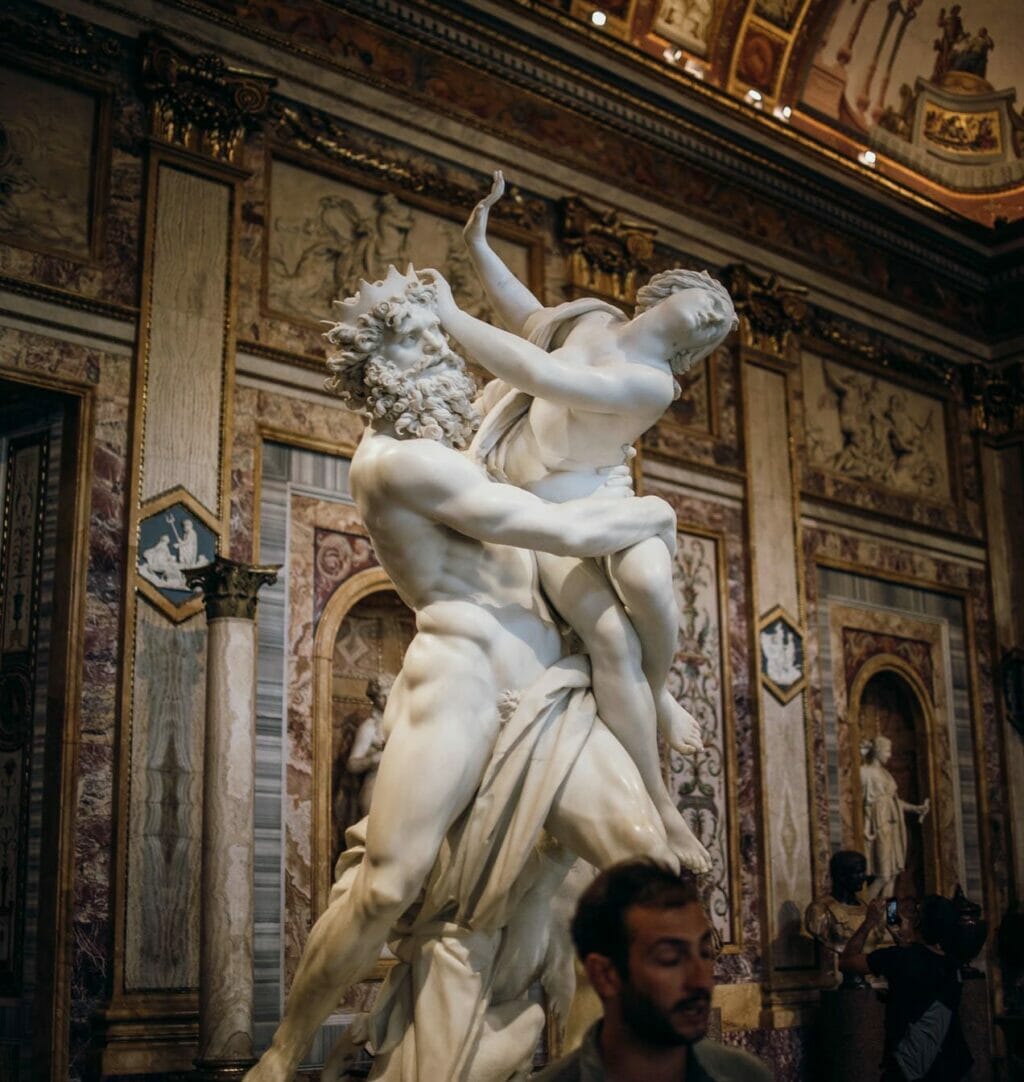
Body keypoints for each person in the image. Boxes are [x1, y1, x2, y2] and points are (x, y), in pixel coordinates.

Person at [245, 265, 700, 1082]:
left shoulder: (469, 438)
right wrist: (657, 514)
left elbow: (541, 352)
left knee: (643, 877)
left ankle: (599, 1069)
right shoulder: (397, 462)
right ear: (381, 368)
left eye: (437, 340)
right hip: (461, 674)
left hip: (552, 694)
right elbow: (539, 524)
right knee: (388, 886)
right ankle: (281, 1056)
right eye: (425, 346)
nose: (445, 358)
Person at [418, 171, 735, 865]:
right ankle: (660, 804)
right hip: (542, 508)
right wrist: (479, 246)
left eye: (716, 328)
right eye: (711, 302)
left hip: (605, 497)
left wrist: (449, 316)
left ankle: (659, 692)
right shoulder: (592, 317)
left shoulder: (654, 384)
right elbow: (531, 319)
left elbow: (543, 376)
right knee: (610, 637)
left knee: (650, 583)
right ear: (672, 288)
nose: (713, 318)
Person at [534, 860, 773, 1081]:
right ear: (605, 975)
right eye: (670, 958)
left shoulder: (745, 1075)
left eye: (705, 953)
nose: (701, 981)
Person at [840, 895, 972, 1082]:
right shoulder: (952, 964)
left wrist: (868, 923)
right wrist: (907, 944)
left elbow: (846, 961)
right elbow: (923, 965)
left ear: (918, 922)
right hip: (953, 1064)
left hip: (910, 1067)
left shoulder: (899, 959)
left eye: (913, 913)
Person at [804, 849, 888, 987]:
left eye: (864, 871)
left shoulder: (868, 909)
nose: (864, 877)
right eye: (858, 872)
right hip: (840, 983)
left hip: (871, 983)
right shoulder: (820, 911)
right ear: (841, 876)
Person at [860, 735, 930, 899]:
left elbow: (895, 802)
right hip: (880, 825)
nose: (889, 755)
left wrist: (916, 808)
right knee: (883, 876)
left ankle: (889, 919)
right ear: (878, 751)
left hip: (894, 826)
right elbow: (862, 803)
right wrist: (866, 826)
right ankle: (863, 913)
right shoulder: (865, 772)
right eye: (887, 751)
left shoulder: (886, 774)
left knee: (892, 877)